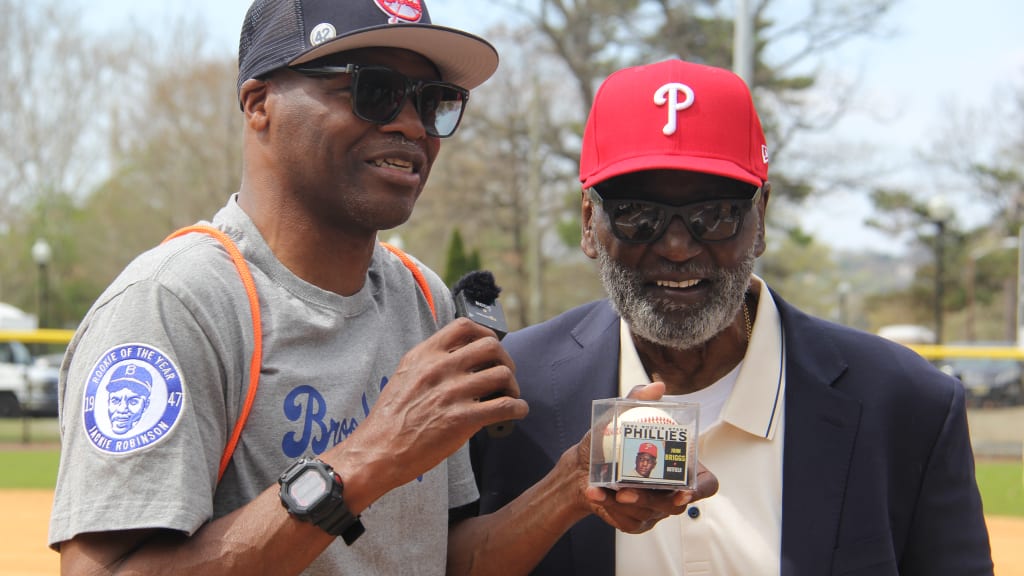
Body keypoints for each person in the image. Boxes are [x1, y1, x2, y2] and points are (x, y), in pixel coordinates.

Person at [48, 2, 714, 574]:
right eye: (373, 90)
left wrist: (572, 484)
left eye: (433, 101)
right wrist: (366, 461)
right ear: (259, 103)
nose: (410, 124)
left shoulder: (421, 298)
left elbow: (444, 558)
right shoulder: (174, 305)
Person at [471, 58, 994, 575]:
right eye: (638, 216)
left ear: (760, 218)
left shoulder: (906, 402)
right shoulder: (509, 392)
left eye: (714, 214)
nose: (677, 248)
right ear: (590, 223)